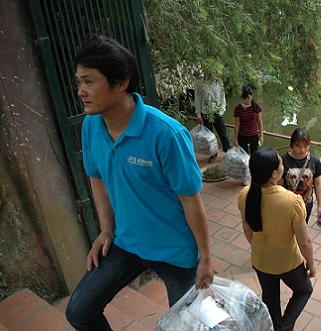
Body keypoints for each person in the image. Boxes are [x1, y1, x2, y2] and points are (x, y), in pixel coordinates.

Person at [65, 35, 214, 330]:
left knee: (185, 326)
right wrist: (106, 230)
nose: (81, 91)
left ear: (120, 83)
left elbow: (190, 199)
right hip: (126, 242)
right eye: (79, 82)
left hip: (175, 253)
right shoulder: (91, 126)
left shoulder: (166, 135)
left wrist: (206, 258)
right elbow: (96, 178)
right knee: (79, 312)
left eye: (89, 81)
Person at [238, 147, 316, 331]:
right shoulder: (292, 201)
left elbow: (247, 229)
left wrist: (259, 246)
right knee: (305, 290)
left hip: (260, 259)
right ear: (274, 174)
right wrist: (311, 263)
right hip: (287, 261)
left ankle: (274, 326)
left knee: (270, 296)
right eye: (280, 163)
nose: (283, 164)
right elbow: (304, 241)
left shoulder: (245, 195)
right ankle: (284, 327)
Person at [281, 128, 321, 224]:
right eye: (298, 146)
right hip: (287, 204)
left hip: (306, 205)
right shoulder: (283, 161)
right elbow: (279, 185)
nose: (302, 150)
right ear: (292, 145)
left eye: (305, 146)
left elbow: (317, 184)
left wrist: (320, 206)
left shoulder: (314, 161)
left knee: (302, 229)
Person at [194, 74, 231, 156]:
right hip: (206, 114)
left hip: (217, 113)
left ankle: (227, 152)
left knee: (223, 134)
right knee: (209, 138)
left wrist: (221, 111)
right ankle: (213, 154)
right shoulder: (200, 84)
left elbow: (222, 97)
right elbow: (197, 99)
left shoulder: (219, 82)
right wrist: (199, 115)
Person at [234, 85, 264, 155]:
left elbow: (259, 122)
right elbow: (237, 125)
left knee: (254, 154)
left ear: (251, 96)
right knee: (244, 154)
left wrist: (261, 136)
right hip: (242, 135)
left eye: (248, 97)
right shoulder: (238, 109)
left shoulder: (256, 107)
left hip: (253, 134)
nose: (246, 100)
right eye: (245, 98)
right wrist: (235, 139)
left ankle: (253, 166)